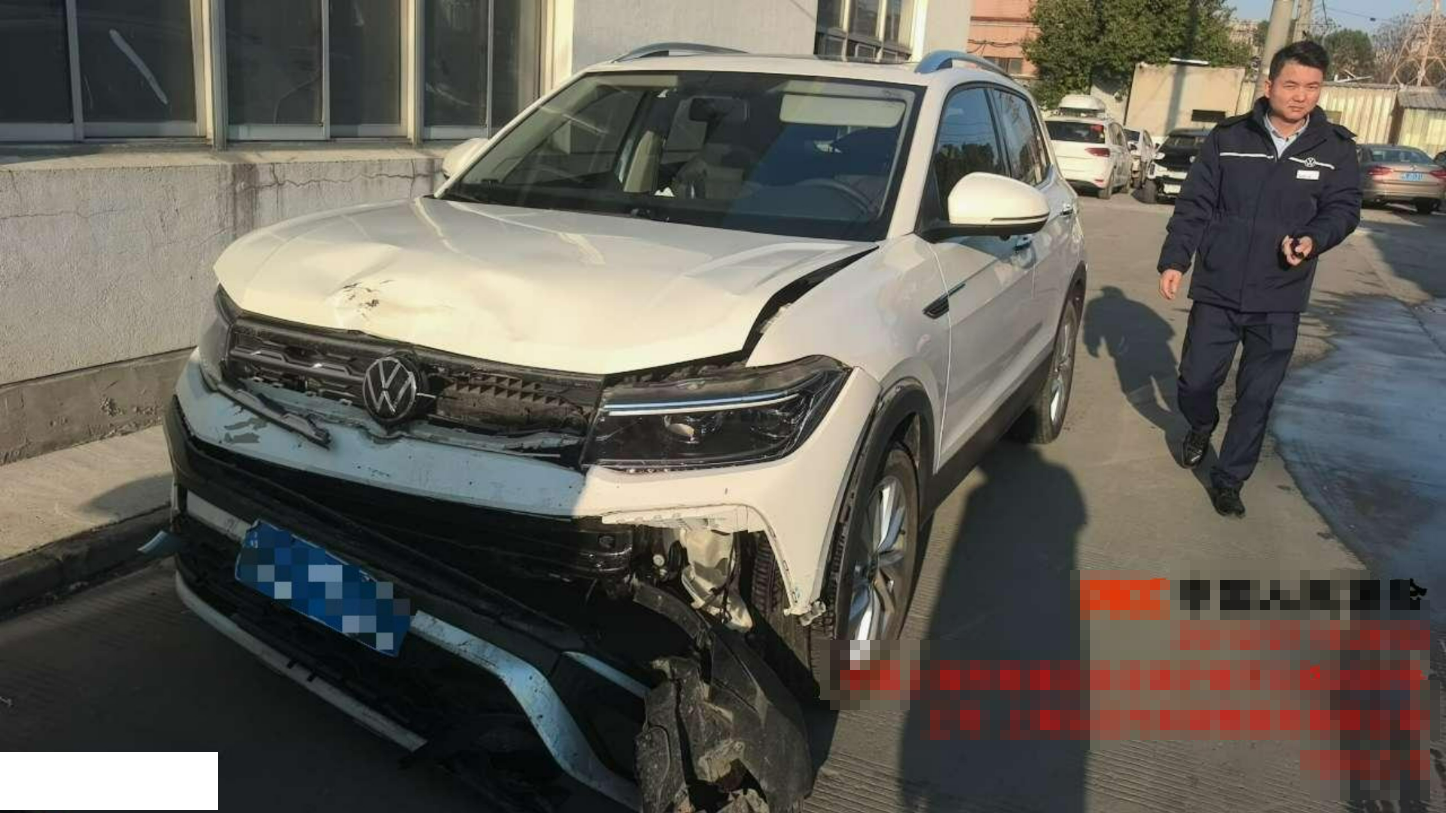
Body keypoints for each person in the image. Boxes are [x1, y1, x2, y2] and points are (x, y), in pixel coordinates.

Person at [1155, 41, 1362, 518]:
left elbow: (1343, 209)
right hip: (1219, 286)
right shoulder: (1229, 138)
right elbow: (1195, 204)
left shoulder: (1335, 148)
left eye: (1312, 87)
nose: (1301, 96)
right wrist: (1175, 259)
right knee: (1195, 382)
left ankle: (1230, 480)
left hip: (1280, 293)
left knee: (1256, 396)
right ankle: (1201, 425)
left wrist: (1313, 238)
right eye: (1291, 85)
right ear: (1268, 86)